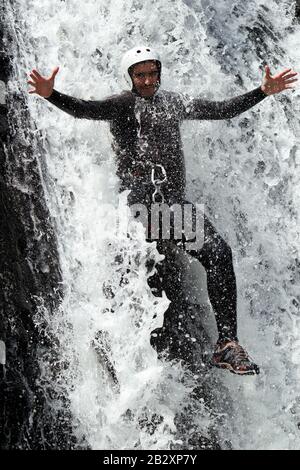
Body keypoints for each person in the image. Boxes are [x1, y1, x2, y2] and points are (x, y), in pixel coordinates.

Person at [28, 46, 297, 375]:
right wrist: (50, 94)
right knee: (191, 262)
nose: (147, 80)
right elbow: (85, 110)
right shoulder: (122, 104)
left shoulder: (173, 102)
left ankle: (228, 344)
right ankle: (200, 347)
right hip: (142, 207)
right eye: (140, 75)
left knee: (219, 253)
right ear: (130, 77)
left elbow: (222, 110)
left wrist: (262, 91)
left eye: (152, 73)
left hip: (171, 206)